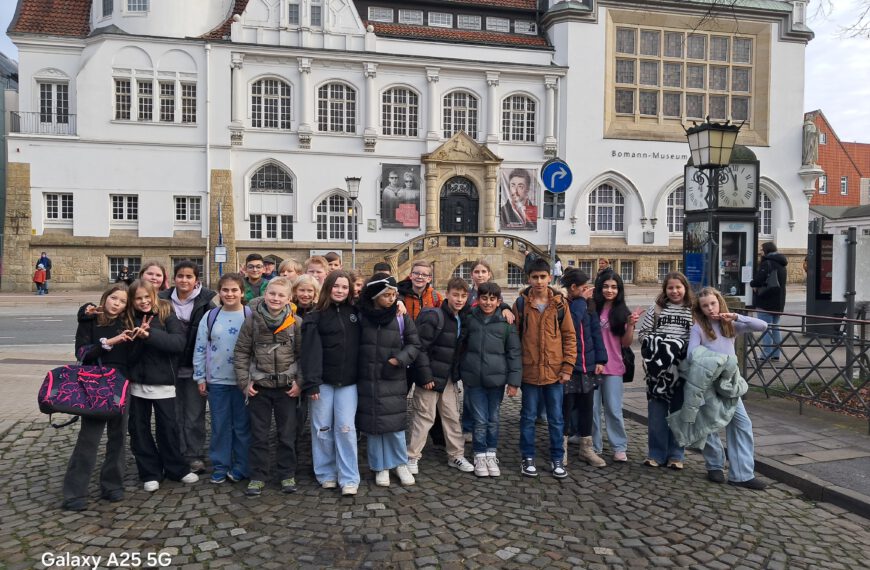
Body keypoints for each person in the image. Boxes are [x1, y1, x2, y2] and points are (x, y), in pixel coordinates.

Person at [676, 287, 768, 490]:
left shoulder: (731, 324)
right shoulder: (698, 327)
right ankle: (715, 465)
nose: (710, 308)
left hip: (729, 382)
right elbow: (692, 354)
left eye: (713, 303)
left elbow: (762, 325)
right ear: (700, 309)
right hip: (707, 382)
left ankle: (742, 474)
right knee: (710, 424)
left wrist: (736, 315)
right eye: (705, 305)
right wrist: (719, 361)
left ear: (719, 302)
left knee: (742, 424)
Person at [63, 285, 133, 511]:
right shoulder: (90, 321)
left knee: (118, 437)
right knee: (89, 438)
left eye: (122, 301)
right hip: (95, 383)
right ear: (105, 298)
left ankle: (112, 485)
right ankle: (74, 492)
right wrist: (110, 343)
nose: (116, 303)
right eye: (113, 298)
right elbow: (82, 353)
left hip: (121, 383)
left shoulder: (127, 323)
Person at [125, 280, 199, 492]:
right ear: (132, 300)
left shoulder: (166, 312)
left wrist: (149, 335)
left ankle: (176, 468)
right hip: (138, 382)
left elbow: (177, 343)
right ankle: (150, 471)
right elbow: (128, 356)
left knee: (168, 428)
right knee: (139, 430)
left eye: (147, 297)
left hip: (164, 381)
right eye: (138, 298)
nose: (144, 301)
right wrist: (137, 339)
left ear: (154, 295)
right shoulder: (128, 317)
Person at [234, 277, 303, 496]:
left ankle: (287, 474)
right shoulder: (251, 321)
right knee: (259, 435)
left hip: (287, 388)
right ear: (265, 295)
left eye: (281, 295)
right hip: (259, 388)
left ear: (289, 298)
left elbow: (303, 355)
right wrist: (244, 383)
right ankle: (257, 476)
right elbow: (241, 353)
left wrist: (300, 383)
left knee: (287, 435)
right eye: (272, 294)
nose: (276, 298)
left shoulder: (296, 323)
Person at [514, 257, 578, 478]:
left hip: (554, 372)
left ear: (550, 277)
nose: (539, 281)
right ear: (529, 279)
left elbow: (570, 337)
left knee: (556, 418)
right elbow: (515, 339)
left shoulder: (560, 304)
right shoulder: (522, 304)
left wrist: (568, 367)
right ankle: (528, 456)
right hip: (530, 371)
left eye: (543, 277)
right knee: (528, 417)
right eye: (535, 277)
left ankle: (557, 457)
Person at [300, 270, 362, 496]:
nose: (340, 291)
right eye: (336, 286)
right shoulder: (315, 317)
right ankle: (326, 473)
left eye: (344, 287)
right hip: (323, 383)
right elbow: (309, 353)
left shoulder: (356, 313)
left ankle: (349, 477)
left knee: (346, 428)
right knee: (322, 429)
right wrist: (312, 382)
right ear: (328, 288)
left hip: (348, 383)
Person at [356, 273, 421, 487]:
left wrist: (398, 360)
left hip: (392, 377)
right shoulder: (361, 315)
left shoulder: (401, 316)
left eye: (395, 295)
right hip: (368, 377)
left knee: (394, 424)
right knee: (374, 425)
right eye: (387, 295)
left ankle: (400, 463)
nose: (392, 299)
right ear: (375, 296)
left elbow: (414, 344)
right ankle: (380, 466)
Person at [406, 277, 475, 476]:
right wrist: (425, 376)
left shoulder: (463, 317)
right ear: (447, 294)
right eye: (456, 295)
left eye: (463, 296)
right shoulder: (434, 316)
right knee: (424, 417)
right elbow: (420, 349)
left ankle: (456, 455)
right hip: (429, 378)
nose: (460, 299)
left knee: (452, 417)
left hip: (449, 379)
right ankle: (412, 456)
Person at [159, 260, 218, 474]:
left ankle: (194, 454)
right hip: (168, 366)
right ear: (174, 279)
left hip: (196, 366)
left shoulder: (207, 302)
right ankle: (176, 453)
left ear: (196, 280)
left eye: (189, 277)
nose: (184, 280)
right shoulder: (162, 300)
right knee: (172, 414)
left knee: (194, 414)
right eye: (180, 276)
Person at [193, 273, 251, 485]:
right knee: (220, 425)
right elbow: (200, 347)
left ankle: (242, 465)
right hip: (217, 381)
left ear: (242, 292)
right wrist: (200, 376)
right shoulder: (211, 316)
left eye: (234, 290)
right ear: (220, 292)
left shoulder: (249, 314)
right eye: (225, 290)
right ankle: (220, 465)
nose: (230, 293)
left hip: (243, 382)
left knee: (242, 426)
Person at [459, 281, 522, 477]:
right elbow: (461, 345)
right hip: (474, 378)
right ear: (478, 300)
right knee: (479, 419)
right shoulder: (470, 318)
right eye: (484, 298)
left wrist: (514, 382)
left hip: (496, 380)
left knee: (493, 418)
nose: (488, 302)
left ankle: (491, 452)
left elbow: (514, 353)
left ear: (498, 301)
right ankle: (479, 454)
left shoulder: (506, 323)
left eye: (492, 299)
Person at [637, 272, 694, 469]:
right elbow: (643, 334)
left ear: (685, 288)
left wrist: (679, 347)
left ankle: (676, 455)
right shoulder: (657, 309)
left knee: (679, 412)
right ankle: (656, 454)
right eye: (670, 287)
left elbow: (699, 338)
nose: (674, 291)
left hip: (682, 371)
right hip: (657, 372)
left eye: (678, 287)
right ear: (665, 289)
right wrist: (659, 345)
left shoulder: (693, 311)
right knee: (656, 413)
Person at [560, 268, 608, 468]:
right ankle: (560, 447)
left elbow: (596, 332)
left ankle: (586, 448)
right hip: (570, 365)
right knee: (566, 407)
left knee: (588, 406)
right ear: (573, 288)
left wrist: (600, 359)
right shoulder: (565, 304)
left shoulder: (589, 305)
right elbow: (571, 323)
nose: (588, 291)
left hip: (588, 364)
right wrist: (580, 301)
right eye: (584, 288)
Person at [590, 270, 639, 463]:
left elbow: (626, 343)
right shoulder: (591, 308)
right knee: (592, 409)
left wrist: (631, 325)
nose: (609, 290)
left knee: (613, 408)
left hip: (613, 367)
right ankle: (594, 445)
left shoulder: (622, 312)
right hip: (593, 367)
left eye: (613, 287)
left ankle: (619, 446)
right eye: (605, 286)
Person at [750, 242, 788, 362]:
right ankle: (776, 354)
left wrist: (752, 283)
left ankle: (766, 354)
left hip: (765, 300)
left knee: (765, 328)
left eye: (761, 249)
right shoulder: (782, 263)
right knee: (775, 328)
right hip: (778, 301)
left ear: (766, 250)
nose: (760, 252)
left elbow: (758, 280)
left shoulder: (767, 263)